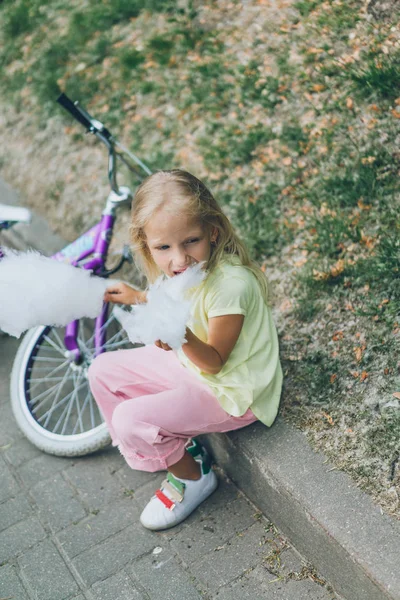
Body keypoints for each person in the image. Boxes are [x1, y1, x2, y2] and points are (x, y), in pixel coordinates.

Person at [88, 169, 282, 531]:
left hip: (232, 390)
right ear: (148, 245)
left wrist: (180, 337)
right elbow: (180, 307)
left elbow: (214, 363)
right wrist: (141, 298)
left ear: (212, 230)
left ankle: (193, 477)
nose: (179, 260)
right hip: (189, 363)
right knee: (101, 370)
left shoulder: (231, 286)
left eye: (190, 241)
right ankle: (166, 446)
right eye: (164, 248)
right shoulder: (184, 271)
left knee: (131, 419)